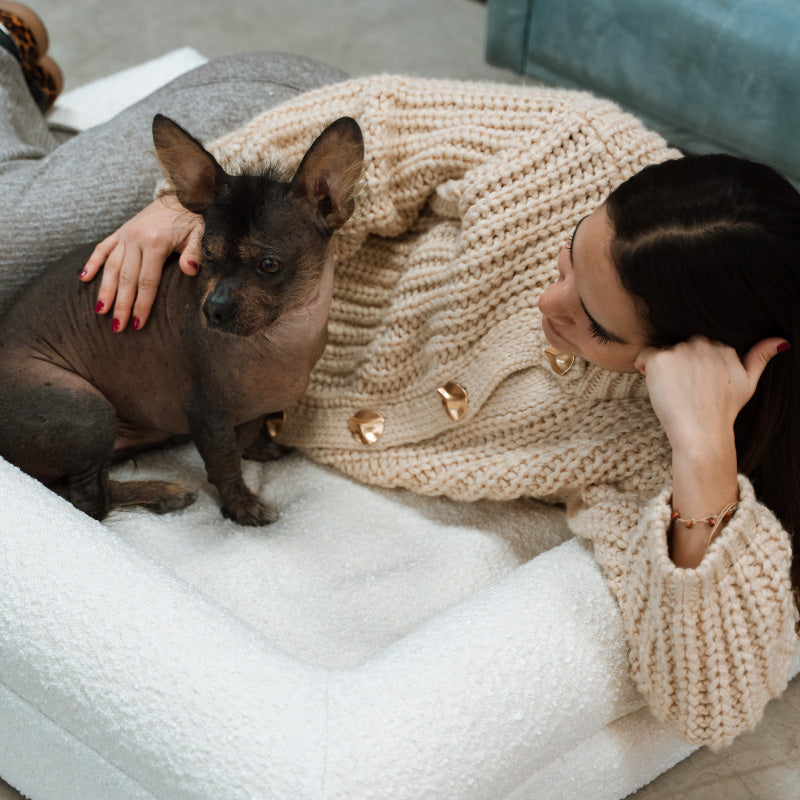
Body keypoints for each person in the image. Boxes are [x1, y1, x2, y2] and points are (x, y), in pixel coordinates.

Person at [1, 5, 797, 752]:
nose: (547, 302)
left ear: (689, 357)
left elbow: (713, 705)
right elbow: (375, 122)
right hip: (284, 157)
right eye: (566, 257)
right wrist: (185, 213)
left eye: (593, 321)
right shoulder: (579, 149)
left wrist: (703, 462)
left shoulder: (641, 448)